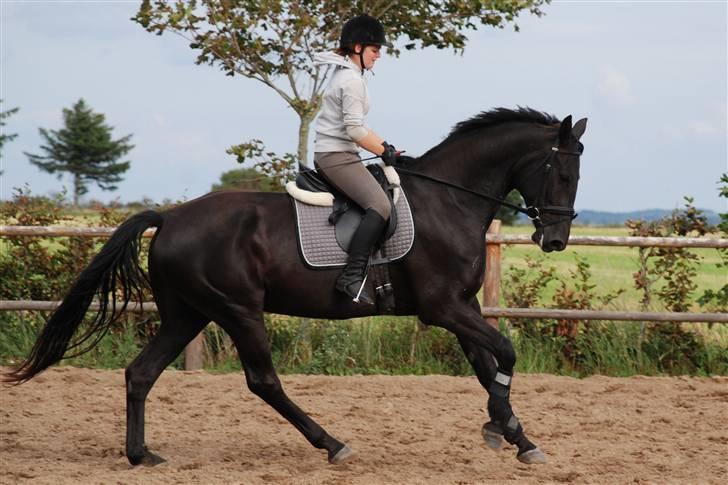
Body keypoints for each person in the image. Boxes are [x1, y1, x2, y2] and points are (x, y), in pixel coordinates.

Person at [313, 14, 401, 305]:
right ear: (358, 47)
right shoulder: (351, 81)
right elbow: (354, 130)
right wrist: (379, 150)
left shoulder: (351, 76)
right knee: (380, 205)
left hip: (342, 153)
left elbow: (360, 126)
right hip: (336, 157)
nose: (379, 56)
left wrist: (385, 146)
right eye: (375, 50)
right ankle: (351, 276)